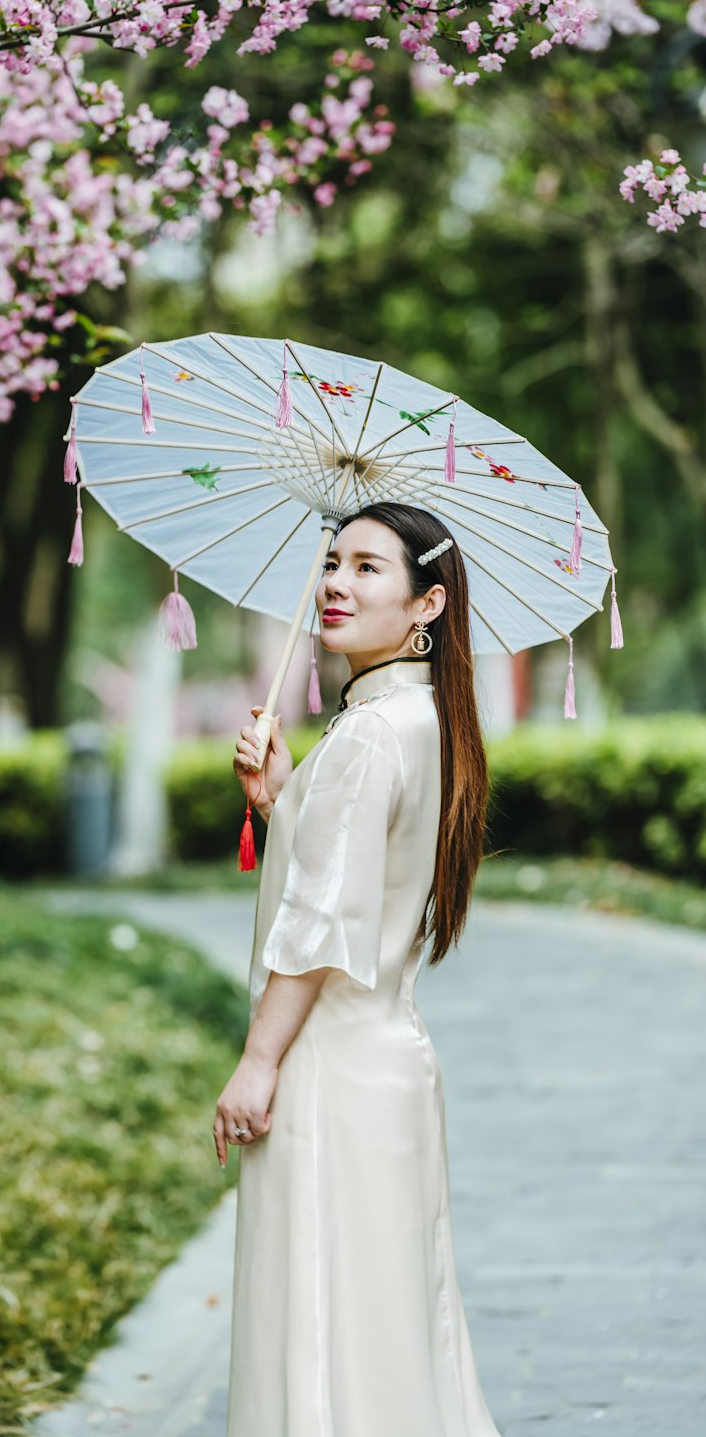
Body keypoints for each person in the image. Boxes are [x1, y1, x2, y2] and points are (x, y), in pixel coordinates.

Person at [215, 500, 501, 1437]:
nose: (335, 582)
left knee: (320, 1327)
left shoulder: (374, 732)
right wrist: (281, 796)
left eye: (369, 568)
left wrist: (258, 1063)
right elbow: (350, 879)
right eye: (333, 561)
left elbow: (317, 922)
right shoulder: (416, 719)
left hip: (330, 1076)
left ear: (428, 605)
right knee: (388, 1336)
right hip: (390, 1062)